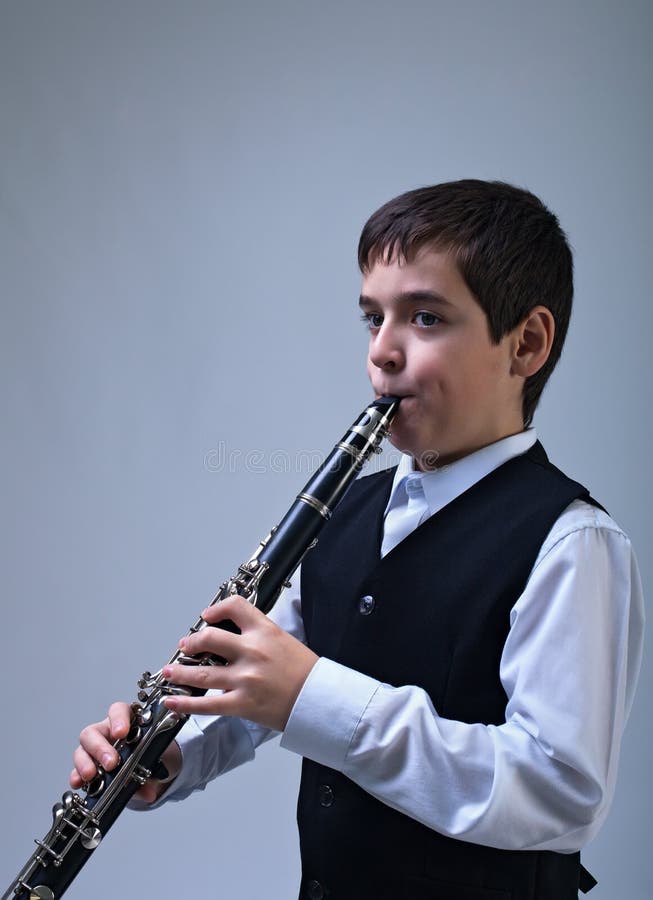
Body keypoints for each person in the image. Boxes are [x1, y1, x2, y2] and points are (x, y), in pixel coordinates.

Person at [71, 180, 644, 900]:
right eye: (373, 318)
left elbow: (557, 791)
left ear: (524, 343)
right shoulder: (343, 514)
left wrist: (313, 695)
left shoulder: (570, 542)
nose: (383, 352)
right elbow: (252, 686)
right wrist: (167, 756)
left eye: (425, 318)